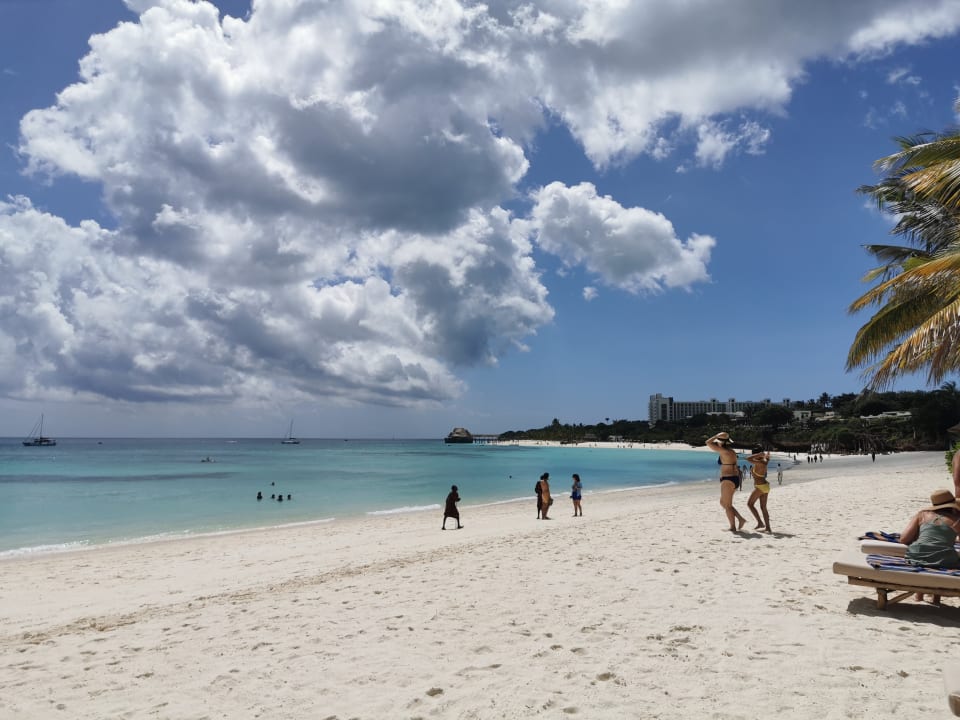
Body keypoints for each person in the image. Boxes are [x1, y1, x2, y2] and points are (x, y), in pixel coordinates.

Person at [901, 489, 960, 569]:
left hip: (915, 556)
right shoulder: (957, 519)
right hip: (944, 560)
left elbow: (904, 539)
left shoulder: (922, 515)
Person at [706, 431, 746, 531]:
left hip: (728, 479)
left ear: (721, 442)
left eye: (718, 441)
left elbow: (707, 442)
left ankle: (733, 527)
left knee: (727, 505)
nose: (717, 442)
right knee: (723, 503)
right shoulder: (731, 451)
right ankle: (740, 519)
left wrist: (716, 436)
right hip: (733, 478)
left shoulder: (723, 451)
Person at [746, 447, 772, 532]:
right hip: (765, 486)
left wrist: (759, 454)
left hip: (760, 487)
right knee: (763, 507)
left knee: (750, 504)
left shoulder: (759, 463)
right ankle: (767, 527)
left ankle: (760, 522)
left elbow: (748, 458)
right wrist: (766, 457)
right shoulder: (763, 462)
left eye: (754, 455)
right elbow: (767, 460)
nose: (753, 456)